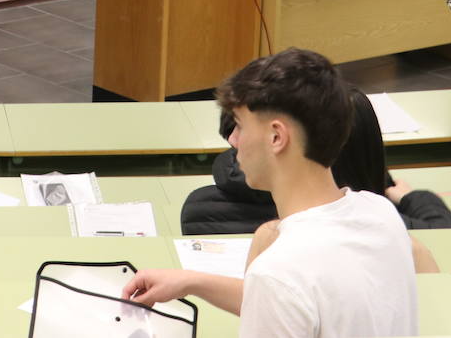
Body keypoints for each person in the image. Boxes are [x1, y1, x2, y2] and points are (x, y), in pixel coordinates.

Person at [123, 49, 417, 337]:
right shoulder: (380, 214)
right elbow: (299, 304)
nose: (234, 140)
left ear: (277, 137)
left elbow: (282, 293)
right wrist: (191, 282)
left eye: (239, 125)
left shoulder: (278, 272)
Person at [181, 88, 451, 234]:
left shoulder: (201, 208)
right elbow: (442, 233)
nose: (235, 141)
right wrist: (410, 196)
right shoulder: (377, 221)